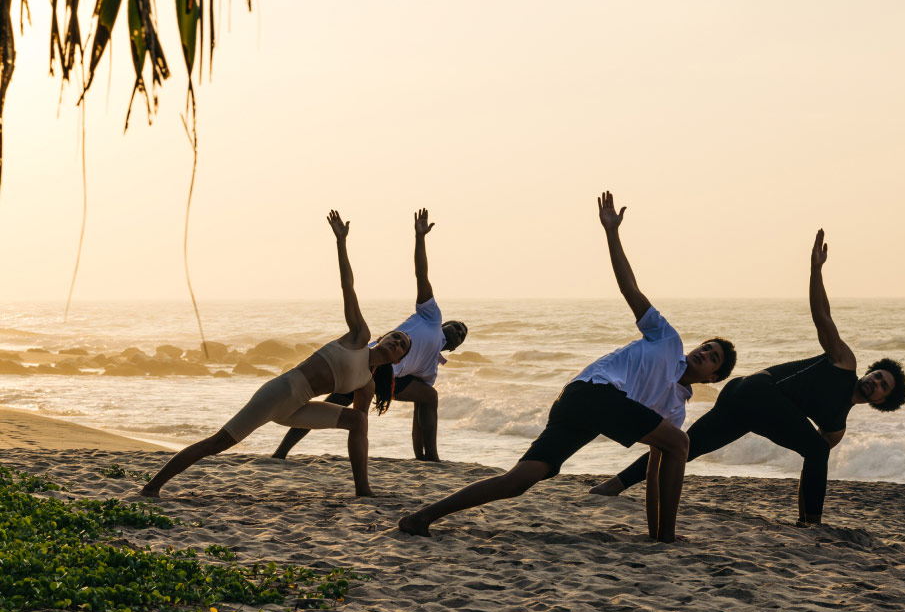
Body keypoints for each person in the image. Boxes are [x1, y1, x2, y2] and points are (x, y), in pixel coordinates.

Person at [398, 192, 737, 542]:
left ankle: (421, 517)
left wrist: (654, 531)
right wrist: (611, 232)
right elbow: (630, 289)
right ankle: (667, 538)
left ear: (713, 377)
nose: (704, 353)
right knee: (680, 442)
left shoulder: (676, 410)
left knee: (519, 480)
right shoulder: (667, 339)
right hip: (591, 393)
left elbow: (655, 473)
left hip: (586, 413)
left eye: (713, 357)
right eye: (706, 347)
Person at [590, 229, 905, 525]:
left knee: (685, 447)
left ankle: (614, 485)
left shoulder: (836, 427)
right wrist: (816, 270)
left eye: (883, 386)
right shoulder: (844, 362)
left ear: (882, 402)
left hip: (745, 404)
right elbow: (822, 316)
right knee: (814, 448)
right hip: (755, 391)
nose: (875, 382)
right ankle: (811, 525)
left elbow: (812, 464)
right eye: (877, 375)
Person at [139, 210, 411, 499]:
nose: (397, 341)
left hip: (298, 408)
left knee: (358, 421)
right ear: (382, 338)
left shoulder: (366, 384)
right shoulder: (359, 337)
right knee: (218, 443)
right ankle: (152, 487)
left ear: (398, 360)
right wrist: (341, 242)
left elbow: (360, 433)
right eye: (395, 336)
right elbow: (348, 288)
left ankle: (363, 490)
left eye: (402, 345)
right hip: (280, 393)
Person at [271, 208, 468, 462]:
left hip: (387, 379)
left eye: (462, 335)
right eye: (457, 327)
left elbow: (420, 411)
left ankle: (427, 458)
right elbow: (421, 275)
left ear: (454, 348)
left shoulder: (431, 369)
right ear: (446, 324)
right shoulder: (431, 316)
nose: (458, 332)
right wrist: (420, 238)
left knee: (429, 397)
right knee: (332, 403)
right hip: (367, 362)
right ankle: (281, 452)